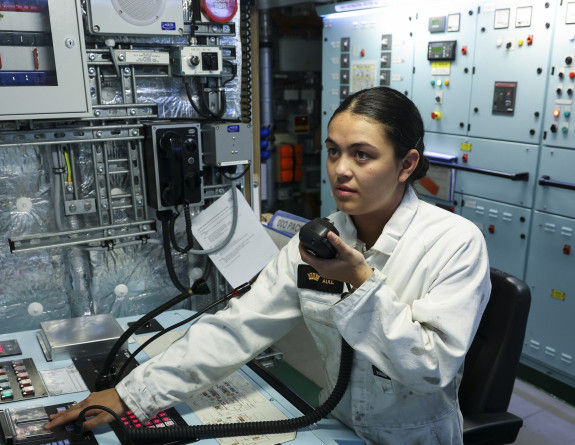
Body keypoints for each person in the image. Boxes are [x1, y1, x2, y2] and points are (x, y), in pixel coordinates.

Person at [46, 86, 491, 444]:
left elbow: (431, 367)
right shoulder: (317, 242)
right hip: (335, 424)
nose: (340, 169)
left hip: (414, 437)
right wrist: (129, 396)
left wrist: (360, 280)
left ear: (406, 164)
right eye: (334, 151)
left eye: (362, 154)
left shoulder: (453, 243)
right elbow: (240, 326)